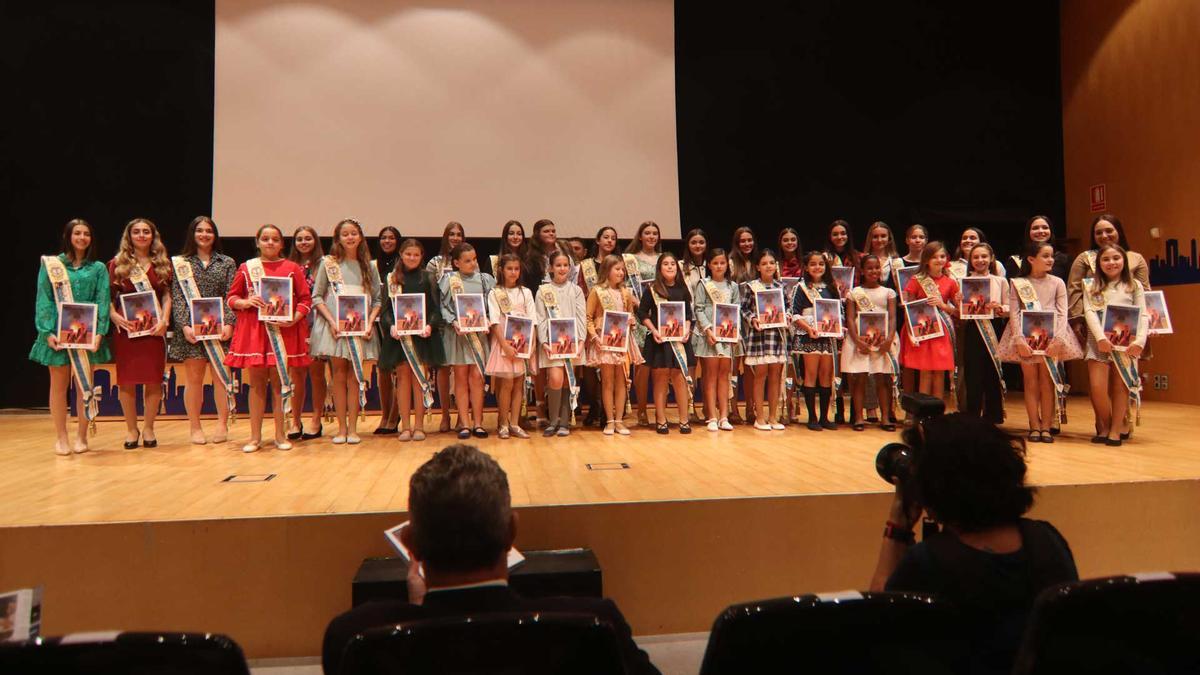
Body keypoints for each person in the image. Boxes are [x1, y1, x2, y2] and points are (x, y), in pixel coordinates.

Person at [321, 443, 660, 675]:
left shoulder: (355, 635)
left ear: (409, 544)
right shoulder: (594, 623)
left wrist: (420, 614)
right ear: (512, 531)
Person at [870, 414, 1078, 675]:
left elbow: (877, 625)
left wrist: (897, 528)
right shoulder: (1047, 540)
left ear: (933, 485)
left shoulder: (930, 563)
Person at [226, 225, 312, 452]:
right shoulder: (247, 268)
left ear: (282, 244)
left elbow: (305, 299)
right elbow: (231, 298)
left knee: (279, 383)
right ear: (257, 242)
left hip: (283, 331)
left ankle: (280, 435)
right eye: (265, 239)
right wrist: (245, 302)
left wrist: (295, 317)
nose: (270, 243)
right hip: (255, 331)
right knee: (256, 384)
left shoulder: (292, 268)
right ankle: (254, 437)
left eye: (275, 239)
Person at [31, 219, 111, 456]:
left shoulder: (98, 268)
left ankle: (82, 436)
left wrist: (100, 332)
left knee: (83, 386)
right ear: (68, 236)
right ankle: (61, 437)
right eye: (77, 233)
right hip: (58, 333)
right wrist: (46, 331)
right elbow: (43, 298)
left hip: (87, 336)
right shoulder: (52, 265)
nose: (82, 238)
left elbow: (103, 299)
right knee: (58, 386)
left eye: (87, 234)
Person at [998, 242, 1083, 443]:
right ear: (1031, 259)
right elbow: (1014, 312)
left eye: (1051, 256)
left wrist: (1059, 338)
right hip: (1025, 338)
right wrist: (1018, 339)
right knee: (1030, 382)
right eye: (1045, 256)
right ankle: (1034, 426)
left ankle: (1046, 426)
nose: (1050, 260)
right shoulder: (1018, 283)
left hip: (1052, 337)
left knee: (1047, 382)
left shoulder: (1057, 282)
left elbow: (1063, 313)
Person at [310, 219, 382, 445]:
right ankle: (341, 428)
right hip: (336, 332)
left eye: (354, 233)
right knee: (338, 377)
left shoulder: (369, 266)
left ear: (360, 237)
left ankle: (353, 428)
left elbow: (378, 299)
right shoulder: (328, 264)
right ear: (338, 239)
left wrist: (370, 322)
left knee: (355, 379)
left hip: (361, 332)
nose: (350, 237)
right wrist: (332, 321)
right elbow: (317, 297)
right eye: (345, 234)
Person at [169, 216, 236, 445]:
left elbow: (231, 294)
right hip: (192, 333)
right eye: (200, 230)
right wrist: (185, 325)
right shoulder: (180, 263)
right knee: (194, 379)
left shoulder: (227, 262)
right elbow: (178, 296)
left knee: (221, 379)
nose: (204, 234)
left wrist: (229, 323)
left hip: (220, 332)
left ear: (215, 234)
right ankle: (195, 427)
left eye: (209, 231)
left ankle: (221, 425)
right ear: (192, 234)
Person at [108, 218, 172, 449]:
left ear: (153, 236)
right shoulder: (117, 264)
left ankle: (148, 428)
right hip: (128, 330)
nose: (142, 235)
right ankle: (131, 429)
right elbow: (106, 298)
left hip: (154, 330)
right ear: (129, 236)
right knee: (127, 381)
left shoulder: (162, 264)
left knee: (153, 380)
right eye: (137, 232)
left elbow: (166, 295)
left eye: (146, 232)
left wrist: (165, 320)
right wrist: (114, 316)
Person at [1082, 244, 1147, 446]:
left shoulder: (1134, 285)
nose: (1111, 263)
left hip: (1127, 343)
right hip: (1098, 341)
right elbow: (1089, 312)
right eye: (1106, 259)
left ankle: (1115, 430)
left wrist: (1140, 341)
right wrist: (1101, 338)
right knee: (1097, 387)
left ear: (1124, 261)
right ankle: (1108, 422)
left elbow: (1143, 313)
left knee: (1121, 387)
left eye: (1116, 258)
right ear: (1099, 264)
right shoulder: (1091, 285)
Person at [381, 239, 445, 442]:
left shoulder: (428, 277)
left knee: (420, 381)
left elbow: (436, 309)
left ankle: (419, 425)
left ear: (422, 256)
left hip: (422, 338)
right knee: (402, 380)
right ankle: (405, 426)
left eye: (416, 255)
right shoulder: (392, 279)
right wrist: (391, 326)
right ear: (401, 254)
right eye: (408, 254)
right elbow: (386, 311)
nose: (412, 258)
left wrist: (430, 326)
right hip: (400, 340)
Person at [1067, 213, 1150, 348]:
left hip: (1128, 326)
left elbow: (1146, 292)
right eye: (1098, 233)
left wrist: (1150, 324)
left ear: (1119, 231)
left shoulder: (1136, 258)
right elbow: (1074, 290)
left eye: (1109, 230)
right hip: (1095, 325)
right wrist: (1077, 320)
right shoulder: (1084, 258)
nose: (1104, 236)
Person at [440, 242, 495, 440]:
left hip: (478, 336)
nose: (472, 263)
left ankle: (478, 422)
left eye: (474, 259)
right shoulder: (450, 280)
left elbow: (491, 304)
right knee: (461, 378)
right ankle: (464, 422)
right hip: (459, 336)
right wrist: (453, 321)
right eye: (467, 261)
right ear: (456, 263)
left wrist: (488, 318)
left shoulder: (485, 280)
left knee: (477, 378)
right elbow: (443, 306)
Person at [638, 252, 695, 434]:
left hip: (679, 341)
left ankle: (684, 419)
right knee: (661, 379)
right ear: (659, 268)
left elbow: (688, 315)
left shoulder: (683, 289)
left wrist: (686, 330)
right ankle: (661, 418)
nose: (670, 266)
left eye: (672, 264)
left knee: (680, 379)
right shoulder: (652, 290)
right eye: (666, 264)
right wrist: (654, 330)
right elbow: (642, 313)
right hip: (659, 341)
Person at [586, 254, 642, 436]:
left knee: (622, 381)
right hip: (604, 341)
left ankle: (619, 420)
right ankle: (609, 420)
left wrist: (632, 321)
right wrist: (595, 337)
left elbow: (629, 314)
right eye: (617, 269)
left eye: (622, 269)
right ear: (607, 270)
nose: (621, 272)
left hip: (622, 341)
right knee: (607, 381)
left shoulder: (626, 292)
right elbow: (588, 317)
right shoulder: (597, 291)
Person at [842, 255, 898, 431]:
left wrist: (889, 339)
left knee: (883, 378)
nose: (874, 271)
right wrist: (857, 341)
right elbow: (850, 319)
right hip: (860, 339)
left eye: (876, 268)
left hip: (883, 340)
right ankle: (859, 417)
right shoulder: (854, 293)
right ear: (862, 271)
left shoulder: (888, 292)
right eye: (869, 268)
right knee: (859, 378)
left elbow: (892, 316)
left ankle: (885, 417)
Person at [537, 250, 587, 437]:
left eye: (565, 265)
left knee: (568, 380)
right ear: (550, 268)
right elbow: (541, 318)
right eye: (558, 265)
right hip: (551, 344)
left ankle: (564, 422)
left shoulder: (576, 290)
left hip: (573, 344)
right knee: (555, 379)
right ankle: (553, 420)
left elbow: (581, 317)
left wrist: (581, 341)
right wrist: (544, 342)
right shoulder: (543, 291)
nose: (562, 268)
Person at [487, 254, 537, 439]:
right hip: (504, 343)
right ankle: (503, 423)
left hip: (523, 343)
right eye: (509, 268)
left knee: (518, 383)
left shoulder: (526, 292)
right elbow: (494, 321)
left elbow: (533, 320)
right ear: (501, 270)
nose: (513, 272)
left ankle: (515, 423)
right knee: (506, 381)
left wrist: (532, 345)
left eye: (516, 269)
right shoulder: (495, 293)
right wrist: (504, 345)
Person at [902, 241, 959, 403]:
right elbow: (909, 308)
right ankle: (923, 412)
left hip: (943, 332)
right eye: (935, 257)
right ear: (926, 259)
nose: (939, 260)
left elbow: (958, 312)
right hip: (923, 332)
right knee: (925, 372)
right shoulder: (916, 280)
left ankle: (937, 414)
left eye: (942, 256)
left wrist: (942, 305)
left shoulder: (951, 282)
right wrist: (911, 333)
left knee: (939, 373)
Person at [960, 244, 1010, 425]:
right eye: (976, 257)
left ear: (991, 258)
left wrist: (1000, 308)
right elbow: (959, 313)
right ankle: (972, 415)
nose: (980, 260)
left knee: (992, 372)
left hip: (994, 327)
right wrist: (959, 302)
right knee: (973, 372)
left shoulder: (1001, 281)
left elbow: (1011, 308)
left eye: (984, 256)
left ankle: (993, 415)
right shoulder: (964, 281)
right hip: (973, 329)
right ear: (971, 261)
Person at [286, 225, 327, 440]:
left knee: (317, 374)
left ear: (315, 240)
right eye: (299, 238)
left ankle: (316, 419)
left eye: (308, 238)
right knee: (297, 375)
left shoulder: (326, 264)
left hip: (318, 323)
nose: (304, 242)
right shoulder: (288, 265)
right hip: (294, 323)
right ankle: (295, 420)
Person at [577, 226, 621, 428]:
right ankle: (594, 405)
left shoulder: (620, 265)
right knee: (590, 366)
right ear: (597, 240)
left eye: (613, 238)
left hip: (613, 326)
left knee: (612, 369)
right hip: (592, 321)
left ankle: (607, 412)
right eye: (606, 237)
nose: (609, 241)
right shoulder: (586, 266)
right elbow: (580, 290)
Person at [693, 248, 740, 432]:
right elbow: (698, 309)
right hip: (709, 337)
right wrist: (707, 330)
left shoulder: (732, 286)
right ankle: (711, 416)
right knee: (710, 376)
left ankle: (723, 416)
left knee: (724, 376)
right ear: (709, 265)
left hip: (727, 336)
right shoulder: (703, 284)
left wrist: (736, 334)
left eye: (722, 262)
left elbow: (736, 310)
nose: (719, 266)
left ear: (727, 264)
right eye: (715, 263)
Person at [791, 251, 839, 430]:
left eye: (821, 264)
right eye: (813, 264)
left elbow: (837, 312)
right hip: (809, 335)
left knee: (826, 376)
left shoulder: (831, 287)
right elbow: (794, 313)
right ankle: (811, 417)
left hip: (827, 336)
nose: (817, 267)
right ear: (806, 267)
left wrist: (840, 327)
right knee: (811, 374)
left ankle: (824, 418)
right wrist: (808, 328)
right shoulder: (801, 287)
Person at [741, 249, 788, 431]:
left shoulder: (781, 286)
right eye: (764, 263)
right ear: (757, 267)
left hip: (777, 336)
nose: (768, 266)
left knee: (776, 375)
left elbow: (788, 306)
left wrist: (788, 316)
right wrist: (753, 318)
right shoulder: (751, 286)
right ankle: (759, 417)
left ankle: (773, 417)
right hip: (759, 336)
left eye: (771, 262)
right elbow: (744, 308)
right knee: (760, 376)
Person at [429, 221, 467, 433]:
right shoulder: (435, 263)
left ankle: (463, 417)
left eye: (458, 234)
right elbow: (432, 292)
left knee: (463, 372)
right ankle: (444, 415)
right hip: (442, 323)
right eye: (451, 234)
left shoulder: (470, 260)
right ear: (445, 237)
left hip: (465, 323)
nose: (455, 237)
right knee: (443, 370)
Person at [623, 221, 662, 427]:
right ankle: (641, 410)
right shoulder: (631, 260)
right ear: (640, 236)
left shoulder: (663, 259)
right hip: (640, 316)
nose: (651, 237)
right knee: (642, 367)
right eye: (647, 233)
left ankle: (659, 410)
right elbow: (626, 287)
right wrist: (641, 305)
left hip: (662, 317)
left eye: (655, 233)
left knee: (659, 366)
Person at [372, 226, 402, 435]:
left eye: (392, 238)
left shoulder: (404, 265)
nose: (387, 241)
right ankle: (385, 415)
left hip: (399, 323)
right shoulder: (373, 265)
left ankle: (395, 415)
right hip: (377, 322)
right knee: (382, 368)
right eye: (384, 238)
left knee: (400, 370)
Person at [728, 226, 757, 424]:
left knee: (750, 367)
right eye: (742, 241)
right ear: (737, 244)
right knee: (732, 366)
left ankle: (750, 407)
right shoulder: (730, 262)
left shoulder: (759, 262)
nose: (746, 244)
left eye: (749, 240)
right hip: (733, 318)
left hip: (753, 320)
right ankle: (733, 409)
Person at [1003, 215, 1068, 280]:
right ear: (1028, 232)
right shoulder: (1015, 261)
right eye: (1035, 228)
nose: (1040, 231)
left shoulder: (1063, 260)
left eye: (1045, 227)